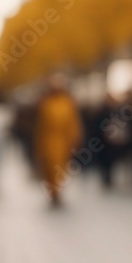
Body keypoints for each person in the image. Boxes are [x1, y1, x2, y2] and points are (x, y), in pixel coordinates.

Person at [33, 75, 82, 206]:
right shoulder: (45, 103)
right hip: (48, 140)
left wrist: (74, 139)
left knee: (60, 167)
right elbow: (41, 126)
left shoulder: (68, 103)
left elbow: (73, 123)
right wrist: (39, 143)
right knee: (49, 167)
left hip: (63, 141)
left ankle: (57, 191)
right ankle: (52, 192)